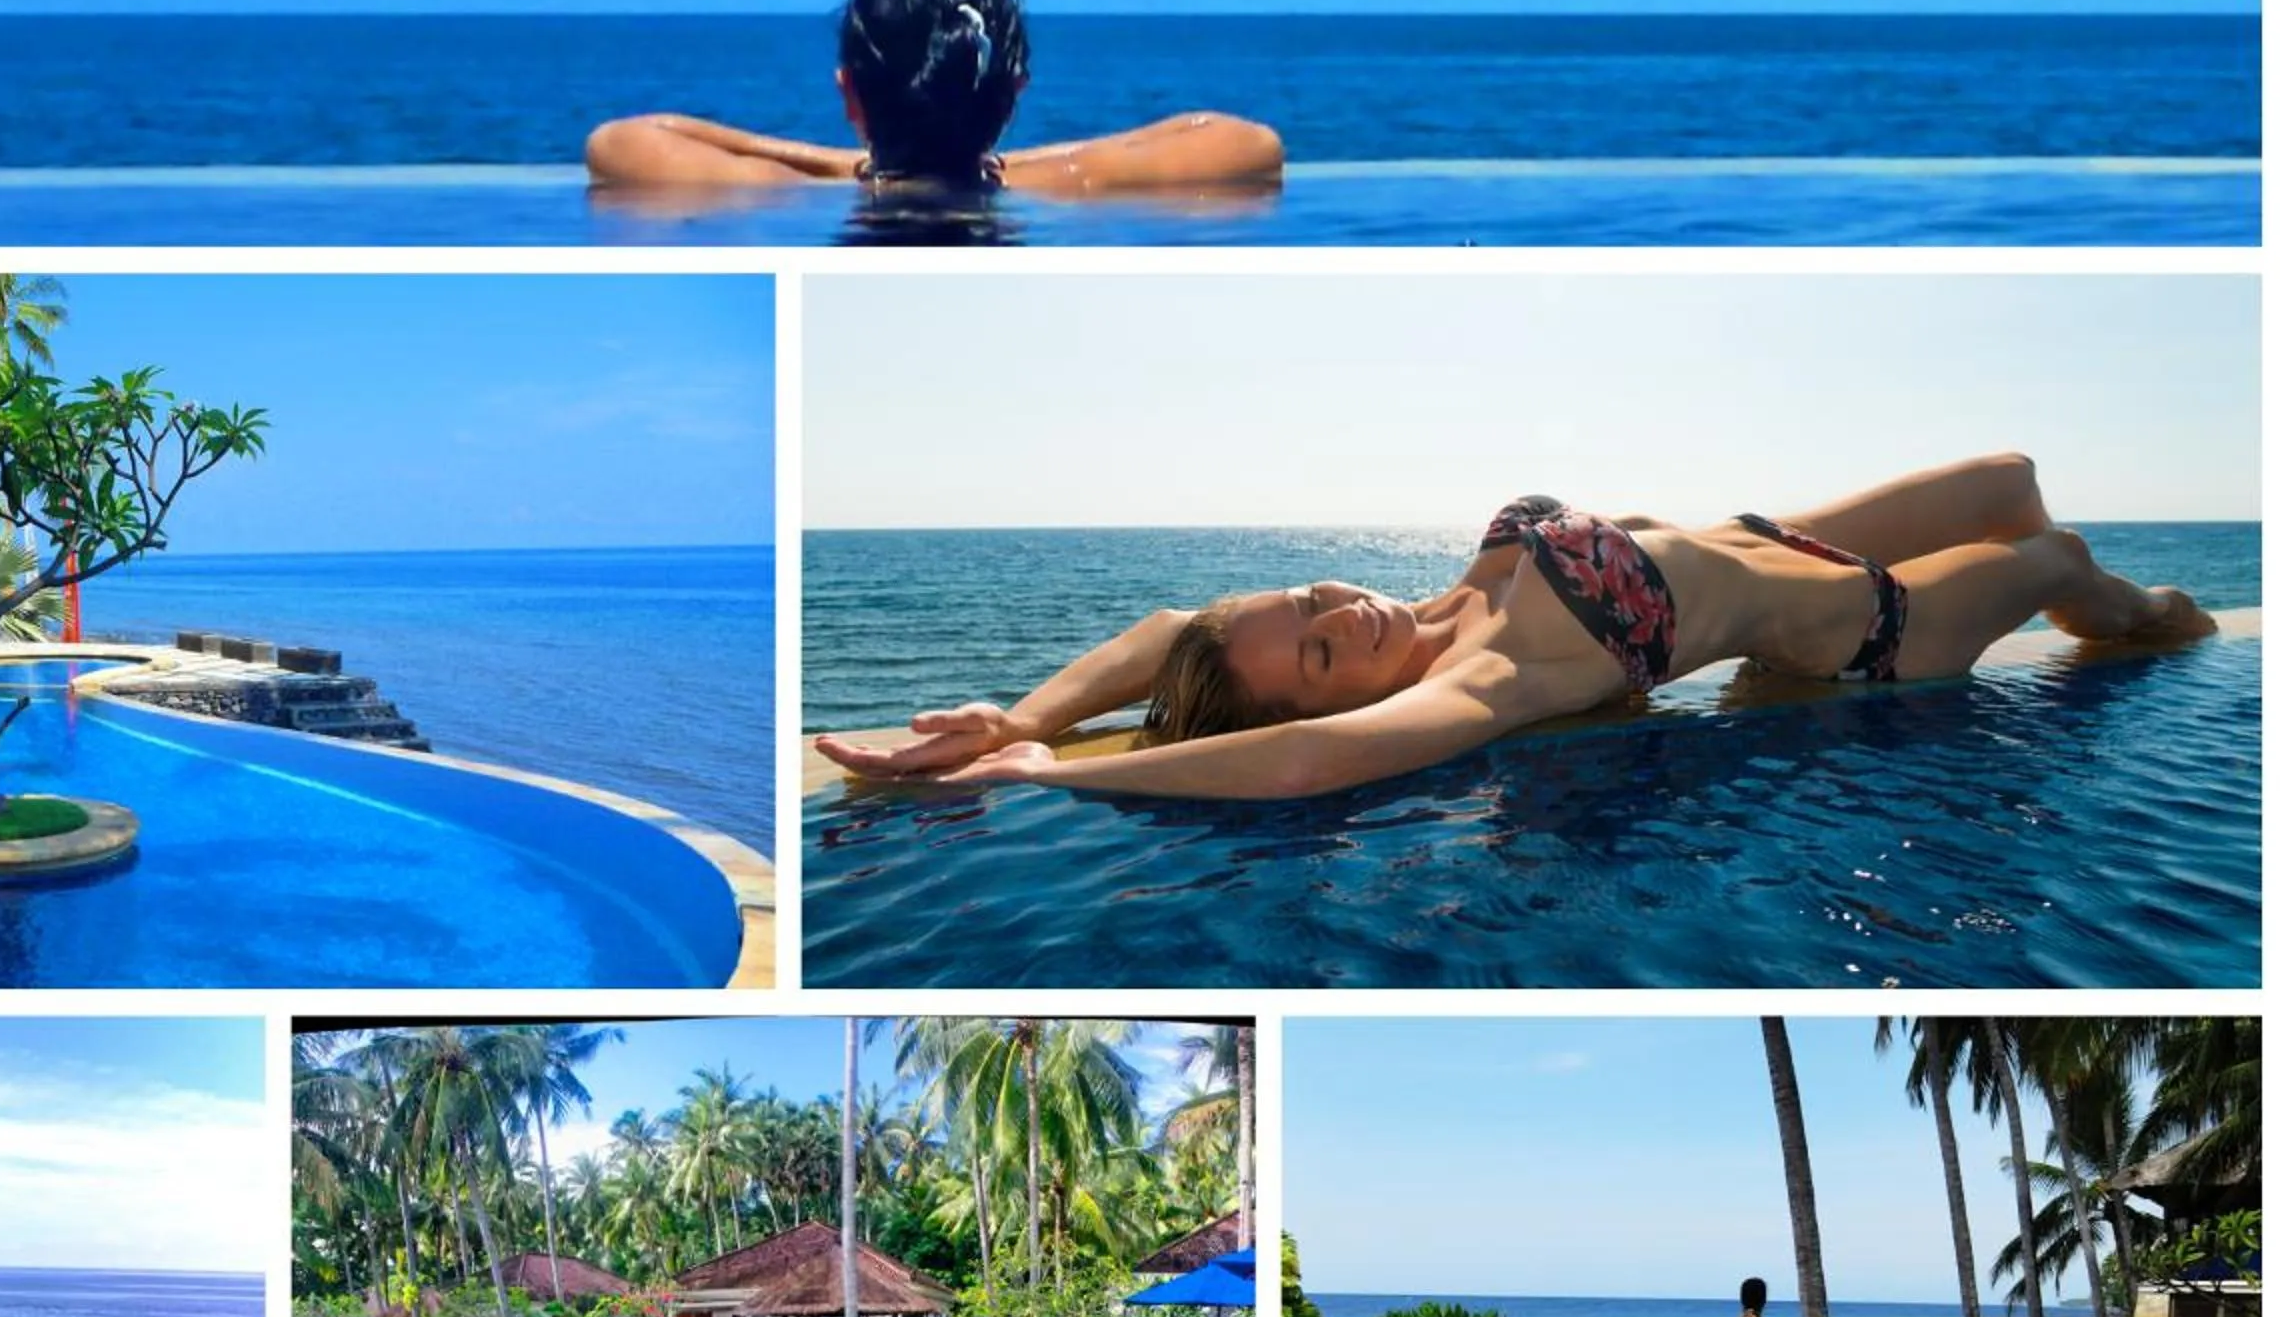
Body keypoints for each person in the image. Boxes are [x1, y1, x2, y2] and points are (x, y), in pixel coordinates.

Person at [814, 453, 2214, 802]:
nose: (1334, 610)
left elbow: (1176, 625)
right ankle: (2151, 621)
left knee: (2011, 472)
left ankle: (2105, 591)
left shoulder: (1421, 608)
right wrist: (1057, 776)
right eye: (1317, 651)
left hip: (1787, 530)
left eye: (1304, 599)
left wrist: (1023, 711)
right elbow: (1300, 767)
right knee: (2055, 558)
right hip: (1865, 626)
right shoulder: (1482, 677)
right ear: (1323, 699)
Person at [584, 0, 1283, 195]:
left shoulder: (783, 192)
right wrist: (1030, 161)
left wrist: (845, 164)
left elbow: (623, 140)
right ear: (1011, 96)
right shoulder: (1070, 188)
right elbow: (1245, 141)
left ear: (848, 93)